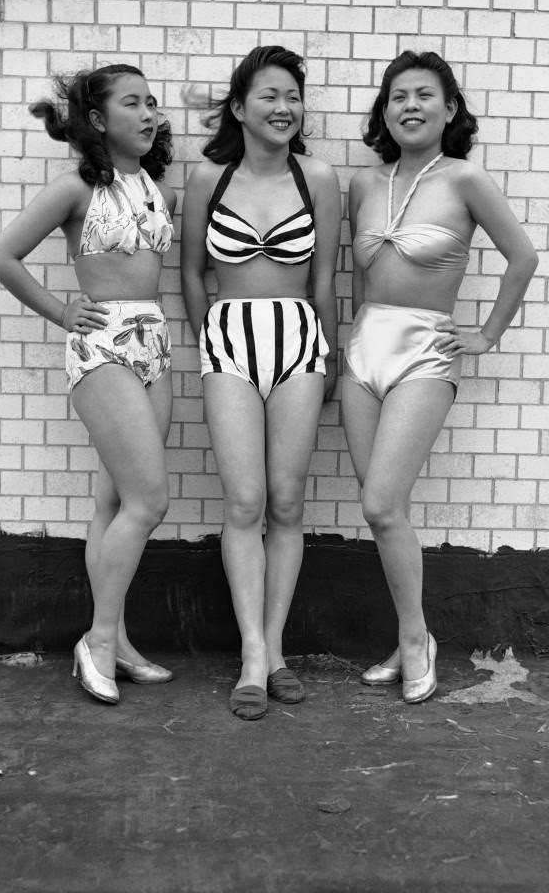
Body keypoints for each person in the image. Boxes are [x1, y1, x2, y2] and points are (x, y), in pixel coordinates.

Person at [342, 51, 538, 704]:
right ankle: (406, 643)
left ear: (449, 109)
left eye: (424, 95)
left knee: (380, 502)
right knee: (381, 511)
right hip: (364, 347)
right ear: (384, 109)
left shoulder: (464, 180)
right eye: (397, 95)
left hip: (425, 349)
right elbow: (354, 274)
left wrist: (486, 333)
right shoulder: (366, 186)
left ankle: (416, 638)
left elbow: (522, 256)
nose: (409, 106)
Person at [0, 64, 178, 705]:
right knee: (148, 502)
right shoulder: (75, 188)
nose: (149, 113)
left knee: (116, 504)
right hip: (104, 348)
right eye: (133, 104)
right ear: (97, 120)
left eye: (153, 102)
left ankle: (116, 641)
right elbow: (1, 256)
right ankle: (96, 640)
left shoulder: (154, 185)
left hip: (153, 343)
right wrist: (63, 310)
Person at [181, 46, 341, 720]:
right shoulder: (206, 177)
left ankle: (275, 650)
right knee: (242, 501)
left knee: (285, 501)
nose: (283, 108)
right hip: (229, 343)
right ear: (240, 106)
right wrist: (209, 342)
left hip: (299, 340)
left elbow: (326, 279)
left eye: (293, 96)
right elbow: (191, 273)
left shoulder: (320, 178)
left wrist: (329, 359)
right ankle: (251, 653)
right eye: (269, 95)